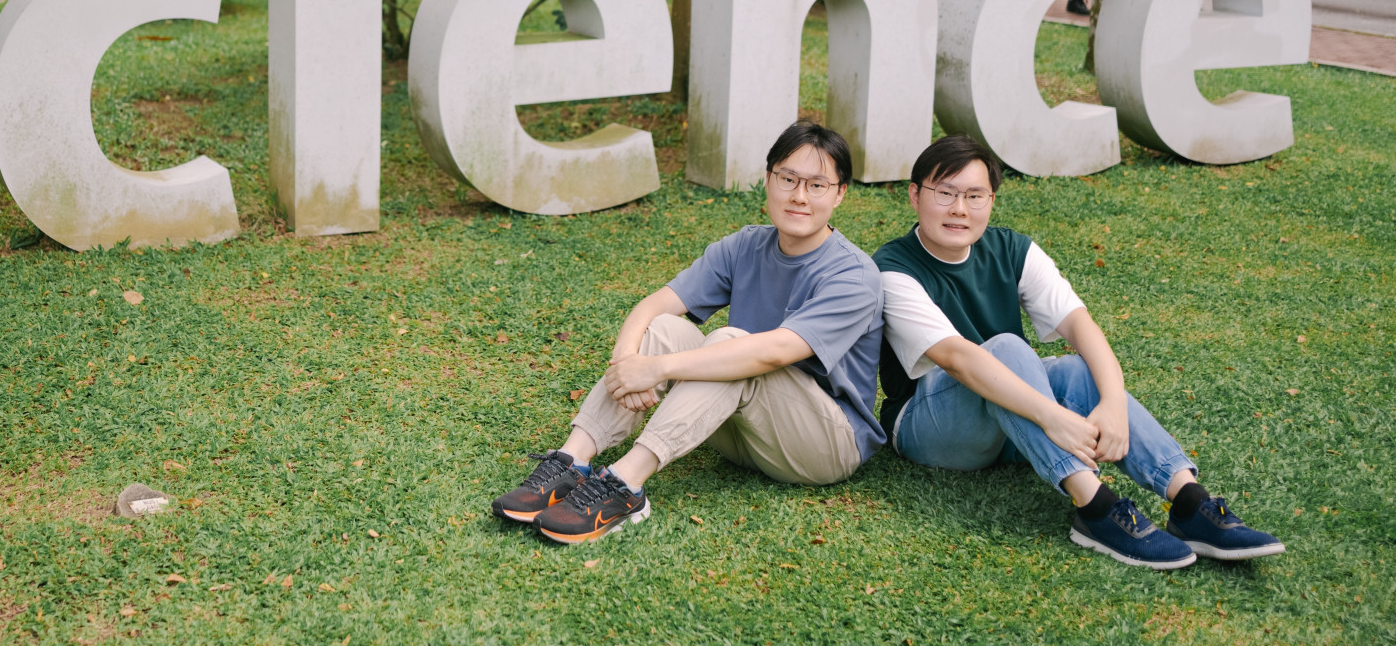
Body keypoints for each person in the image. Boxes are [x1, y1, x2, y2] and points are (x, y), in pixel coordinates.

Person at [875, 136, 1284, 570]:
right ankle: (1096, 508)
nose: (960, 209)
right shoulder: (892, 268)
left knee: (1075, 369)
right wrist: (1053, 417)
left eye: (974, 196)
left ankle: (1188, 501)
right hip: (930, 427)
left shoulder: (1012, 249)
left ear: (991, 200)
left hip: (1010, 423)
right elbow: (959, 358)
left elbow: (1079, 326)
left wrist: (1112, 403)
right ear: (916, 195)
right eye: (945, 193)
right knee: (1006, 349)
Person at [491, 121, 885, 544]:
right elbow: (654, 305)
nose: (799, 196)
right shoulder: (745, 246)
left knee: (732, 344)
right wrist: (626, 363)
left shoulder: (854, 274)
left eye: (817, 185)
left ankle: (626, 486)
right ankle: (573, 460)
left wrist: (656, 369)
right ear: (768, 178)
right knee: (662, 328)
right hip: (744, 428)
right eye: (787, 179)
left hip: (824, 444)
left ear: (840, 192)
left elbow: (773, 352)